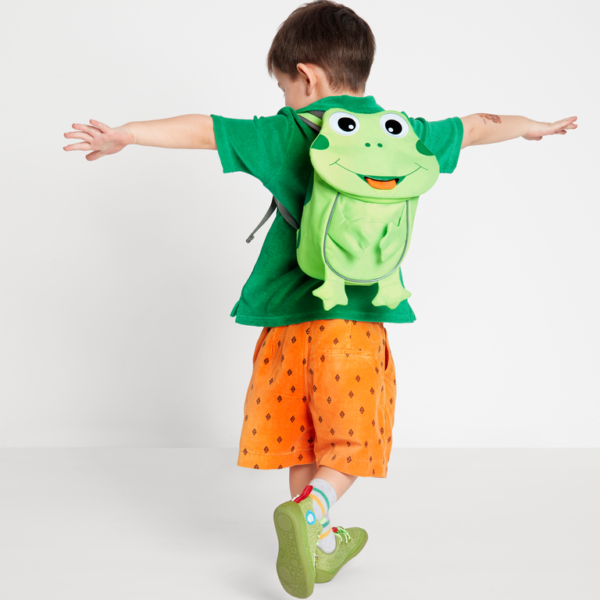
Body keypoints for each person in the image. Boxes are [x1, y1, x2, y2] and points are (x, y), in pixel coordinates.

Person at [63, 1, 577, 597]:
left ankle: (319, 539)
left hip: (286, 324)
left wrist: (128, 134)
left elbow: (207, 129)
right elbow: (479, 124)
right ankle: (315, 512)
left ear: (306, 76)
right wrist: (532, 125)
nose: (284, 99)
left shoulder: (289, 131)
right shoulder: (404, 134)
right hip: (353, 325)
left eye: (284, 87)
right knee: (354, 439)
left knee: (304, 436)